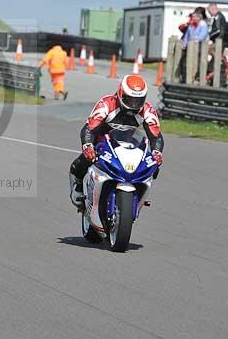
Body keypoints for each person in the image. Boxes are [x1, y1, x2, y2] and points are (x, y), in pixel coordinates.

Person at [68, 74, 164, 231]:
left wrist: (157, 152)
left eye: (138, 100)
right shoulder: (107, 103)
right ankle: (79, 189)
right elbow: (89, 128)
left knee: (154, 167)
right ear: (120, 93)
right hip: (102, 144)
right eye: (130, 99)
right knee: (79, 164)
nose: (134, 104)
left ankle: (137, 198)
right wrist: (87, 145)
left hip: (130, 146)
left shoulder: (148, 110)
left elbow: (156, 137)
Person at [177, 11, 209, 82]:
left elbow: (202, 36)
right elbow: (186, 36)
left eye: (194, 17)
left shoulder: (203, 25)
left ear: (199, 18)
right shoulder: (191, 26)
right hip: (191, 46)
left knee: (198, 62)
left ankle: (198, 77)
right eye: (192, 17)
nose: (193, 18)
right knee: (186, 60)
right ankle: (185, 76)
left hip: (200, 46)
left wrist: (194, 40)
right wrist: (184, 44)